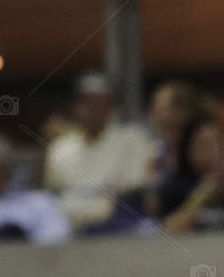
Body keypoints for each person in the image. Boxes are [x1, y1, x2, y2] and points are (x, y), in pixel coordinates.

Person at [42, 71, 157, 234]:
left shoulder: (133, 139)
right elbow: (53, 191)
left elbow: (136, 186)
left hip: (118, 220)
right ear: (76, 107)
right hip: (66, 223)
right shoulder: (61, 147)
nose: (94, 111)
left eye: (101, 104)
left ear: (110, 108)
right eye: (88, 103)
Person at [155, 115, 224, 233]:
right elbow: (165, 233)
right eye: (204, 145)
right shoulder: (174, 187)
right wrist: (200, 197)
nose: (214, 152)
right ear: (188, 150)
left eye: (219, 143)